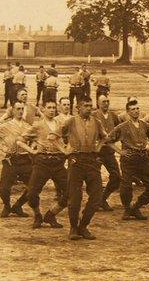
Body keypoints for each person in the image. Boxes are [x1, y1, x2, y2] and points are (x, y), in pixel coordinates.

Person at [61, 96, 107, 240]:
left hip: (92, 160)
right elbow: (54, 136)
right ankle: (73, 227)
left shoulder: (97, 122)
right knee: (75, 197)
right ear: (78, 107)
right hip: (76, 161)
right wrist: (65, 151)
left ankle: (84, 225)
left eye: (90, 105)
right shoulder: (70, 121)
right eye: (85, 106)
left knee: (97, 195)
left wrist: (98, 149)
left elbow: (104, 137)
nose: (89, 108)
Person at [19, 100, 69, 229]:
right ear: (44, 109)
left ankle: (51, 215)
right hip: (42, 163)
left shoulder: (62, 124)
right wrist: (33, 151)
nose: (52, 110)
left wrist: (65, 151)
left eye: (53, 108)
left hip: (58, 162)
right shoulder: (38, 125)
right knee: (31, 193)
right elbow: (20, 141)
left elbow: (69, 139)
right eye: (49, 107)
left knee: (70, 192)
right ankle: (37, 215)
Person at [106, 99, 149, 221]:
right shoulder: (122, 127)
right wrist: (120, 152)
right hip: (129, 159)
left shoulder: (145, 125)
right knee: (126, 187)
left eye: (137, 109)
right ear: (128, 112)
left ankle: (136, 207)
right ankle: (127, 209)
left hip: (144, 158)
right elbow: (108, 141)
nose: (136, 111)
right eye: (133, 109)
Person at [0, 102, 32, 218]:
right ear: (12, 110)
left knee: (34, 187)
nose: (20, 111)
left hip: (26, 159)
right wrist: (3, 148)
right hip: (11, 160)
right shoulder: (6, 126)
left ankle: (18, 206)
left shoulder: (28, 127)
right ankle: (7, 206)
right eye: (18, 109)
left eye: (22, 109)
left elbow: (35, 142)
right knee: (3, 188)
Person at [92, 95, 121, 211]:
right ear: (98, 103)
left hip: (109, 152)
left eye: (108, 101)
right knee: (95, 178)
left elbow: (119, 130)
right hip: (97, 152)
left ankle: (103, 199)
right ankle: (95, 202)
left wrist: (113, 141)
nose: (106, 103)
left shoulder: (113, 115)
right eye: (103, 101)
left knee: (117, 177)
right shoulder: (93, 115)